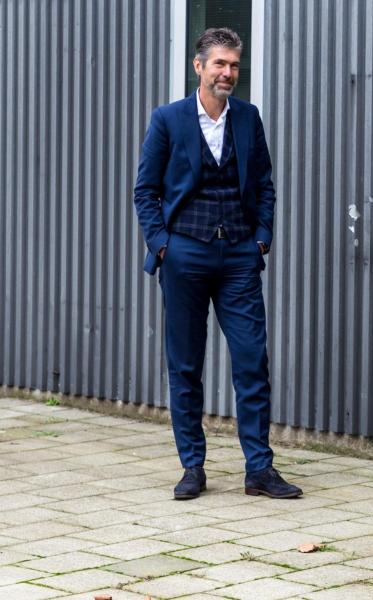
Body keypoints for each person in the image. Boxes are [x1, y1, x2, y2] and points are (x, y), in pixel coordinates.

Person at [133, 28, 301, 501]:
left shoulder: (249, 118)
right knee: (185, 364)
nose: (228, 73)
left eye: (234, 65)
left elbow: (264, 184)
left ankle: (259, 470)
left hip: (240, 257)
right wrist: (163, 245)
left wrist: (262, 239)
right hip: (184, 253)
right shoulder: (168, 120)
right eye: (220, 64)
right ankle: (192, 466)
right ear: (199, 67)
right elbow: (145, 191)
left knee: (252, 360)